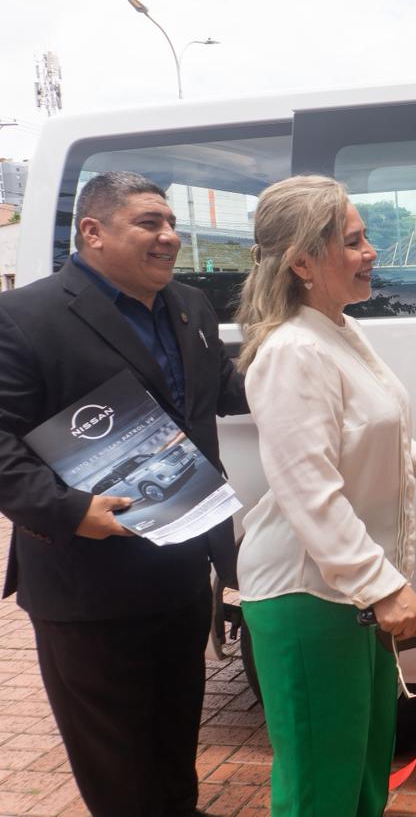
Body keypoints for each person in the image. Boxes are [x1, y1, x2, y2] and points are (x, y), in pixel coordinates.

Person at [0, 171, 248, 816]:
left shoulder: (190, 307)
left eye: (171, 223)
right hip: (87, 576)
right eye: (148, 223)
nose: (168, 236)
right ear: (93, 231)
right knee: (116, 752)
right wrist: (69, 511)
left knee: (173, 728)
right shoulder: (25, 317)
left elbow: (224, 391)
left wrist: (306, 351)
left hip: (181, 559)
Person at [234, 175, 416, 817]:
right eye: (353, 240)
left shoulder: (335, 329)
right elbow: (308, 486)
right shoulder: (292, 351)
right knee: (322, 788)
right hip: (311, 595)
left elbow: (359, 424)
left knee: (364, 769)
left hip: (351, 593)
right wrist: (383, 584)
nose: (372, 252)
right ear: (302, 263)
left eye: (366, 237)